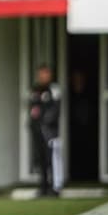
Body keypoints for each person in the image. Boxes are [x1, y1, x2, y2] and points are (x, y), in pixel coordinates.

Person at [29, 64, 62, 197]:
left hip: (50, 131)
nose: (43, 76)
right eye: (41, 74)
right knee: (41, 159)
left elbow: (56, 109)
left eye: (45, 74)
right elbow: (32, 108)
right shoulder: (35, 89)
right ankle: (43, 186)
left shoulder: (54, 89)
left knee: (53, 159)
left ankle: (55, 187)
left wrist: (46, 122)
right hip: (37, 130)